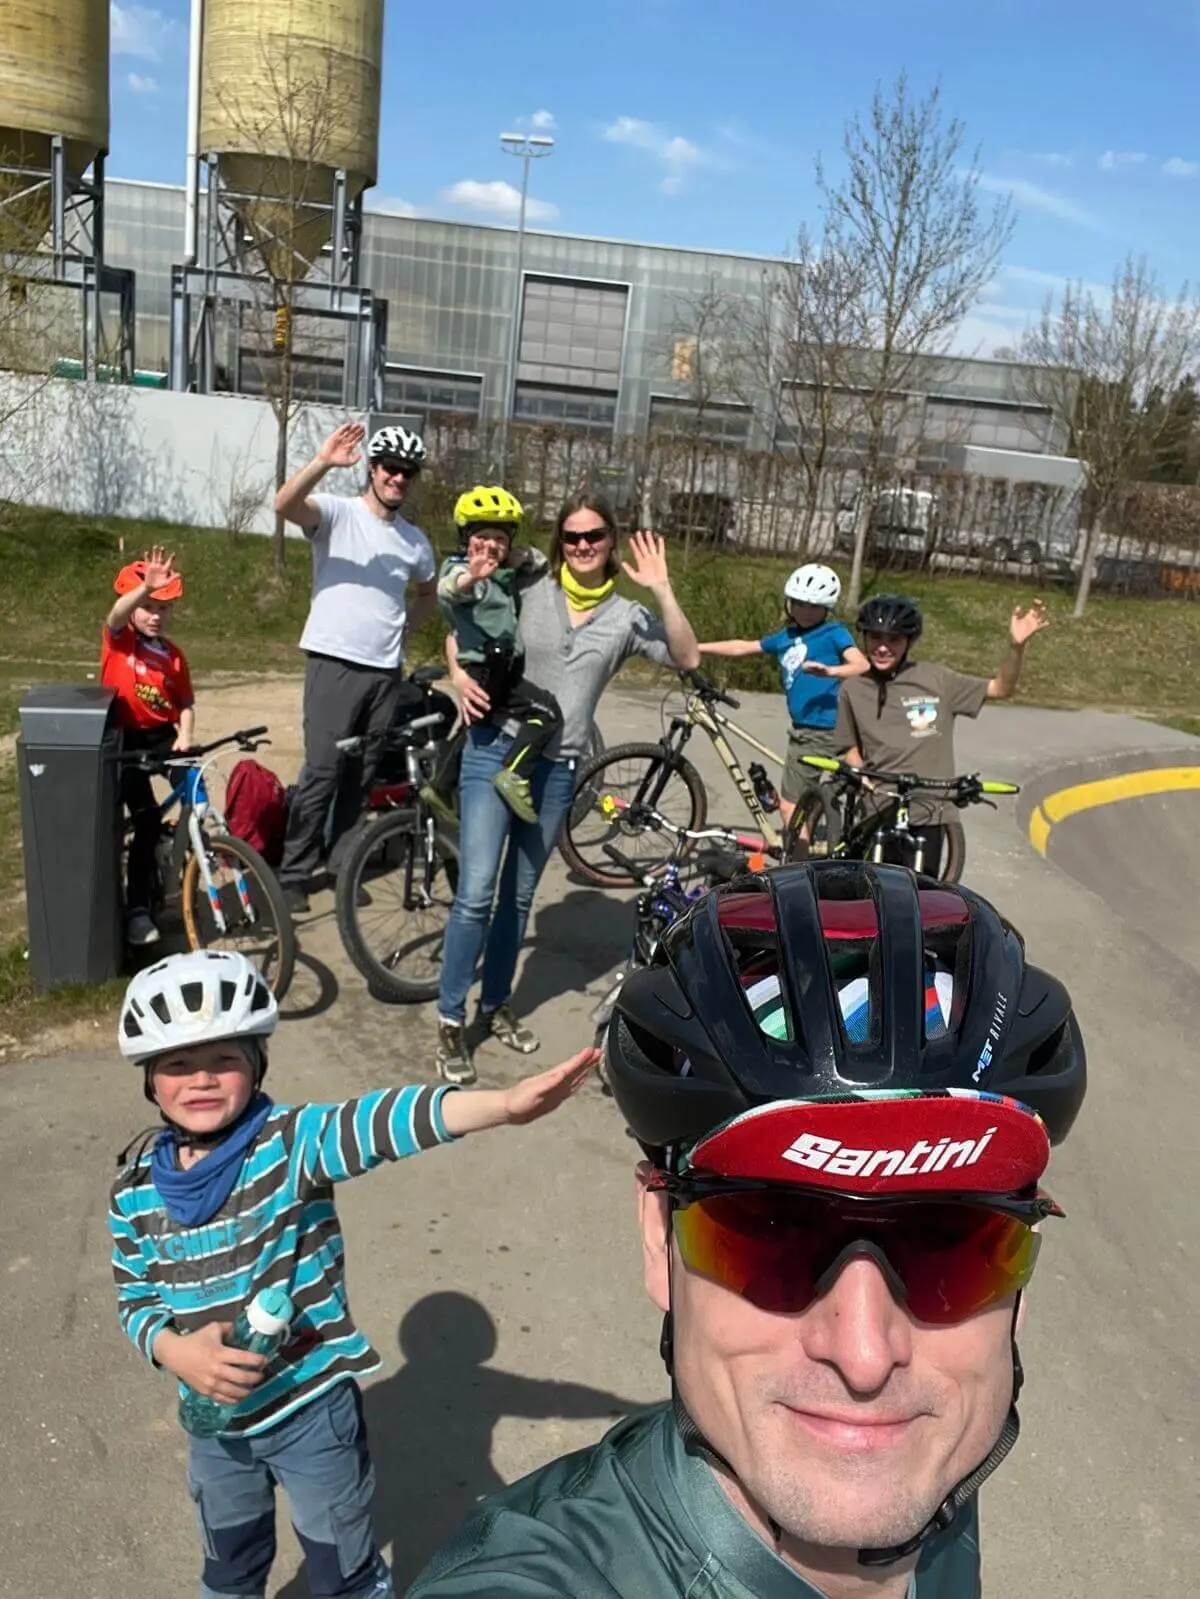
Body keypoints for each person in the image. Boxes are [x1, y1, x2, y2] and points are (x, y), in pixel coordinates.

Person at [409, 859, 1087, 1599]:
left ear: (1022, 1274)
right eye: (770, 1232)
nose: (864, 1358)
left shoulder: (939, 1474)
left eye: (950, 1245)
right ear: (657, 1239)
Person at [108, 947, 598, 1599]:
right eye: (177, 1064)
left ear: (256, 1063)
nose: (201, 1079)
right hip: (215, 1425)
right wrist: (172, 1349)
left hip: (310, 1409)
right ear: (150, 1080)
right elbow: (134, 1297)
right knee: (229, 1565)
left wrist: (502, 1104)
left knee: (342, 1568)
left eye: (224, 1058)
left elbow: (384, 1121)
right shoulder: (134, 1190)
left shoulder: (290, 1143)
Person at [435, 493, 701, 1086]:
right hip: (492, 750)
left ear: (611, 542)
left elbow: (687, 656)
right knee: (477, 891)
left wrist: (661, 588)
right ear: (561, 542)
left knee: (518, 899)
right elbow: (459, 621)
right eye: (574, 537)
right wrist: (457, 675)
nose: (584, 547)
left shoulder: (626, 617)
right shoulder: (529, 585)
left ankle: (495, 1003)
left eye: (596, 537)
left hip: (557, 771)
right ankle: (452, 1019)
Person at [273, 421, 438, 914]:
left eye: (408, 472)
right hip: (333, 663)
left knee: (360, 776)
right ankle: (294, 871)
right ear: (373, 468)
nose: (399, 479)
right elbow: (283, 506)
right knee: (322, 771)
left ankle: (343, 861)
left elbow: (428, 594)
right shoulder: (337, 514)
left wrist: (405, 629)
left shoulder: (415, 541)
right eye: (391, 468)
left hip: (384, 673)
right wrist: (323, 462)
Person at [835, 593, 1049, 875]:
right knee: (875, 894)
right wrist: (860, 771)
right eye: (875, 638)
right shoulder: (853, 689)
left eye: (894, 640)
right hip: (879, 806)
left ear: (909, 642)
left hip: (930, 809)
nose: (883, 648)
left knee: (923, 896)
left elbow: (1000, 688)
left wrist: (1016, 647)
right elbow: (848, 745)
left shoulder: (937, 680)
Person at [698, 563, 868, 830]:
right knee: (793, 807)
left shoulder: (834, 633)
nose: (805, 611)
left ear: (827, 608)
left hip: (838, 729)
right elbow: (743, 646)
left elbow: (861, 665)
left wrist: (831, 671)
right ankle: (806, 859)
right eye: (799, 603)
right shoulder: (786, 637)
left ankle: (859, 846)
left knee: (858, 790)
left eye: (814, 606)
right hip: (804, 732)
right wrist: (696, 649)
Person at [429, 486, 562, 826]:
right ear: (466, 539)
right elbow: (449, 590)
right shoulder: (460, 570)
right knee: (546, 712)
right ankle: (514, 774)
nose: (490, 545)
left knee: (474, 721)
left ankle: (440, 787)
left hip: (495, 666)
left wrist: (520, 557)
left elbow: (542, 560)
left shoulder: (503, 572)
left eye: (500, 538)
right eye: (482, 536)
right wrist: (472, 576)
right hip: (490, 665)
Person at [101, 546, 195, 947]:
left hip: (163, 736)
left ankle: (196, 863)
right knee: (146, 820)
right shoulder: (121, 641)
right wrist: (145, 588)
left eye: (163, 608)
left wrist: (185, 736)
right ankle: (139, 910)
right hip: (125, 738)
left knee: (197, 794)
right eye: (149, 606)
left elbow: (186, 703)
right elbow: (117, 616)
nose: (155, 615)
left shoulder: (173, 656)